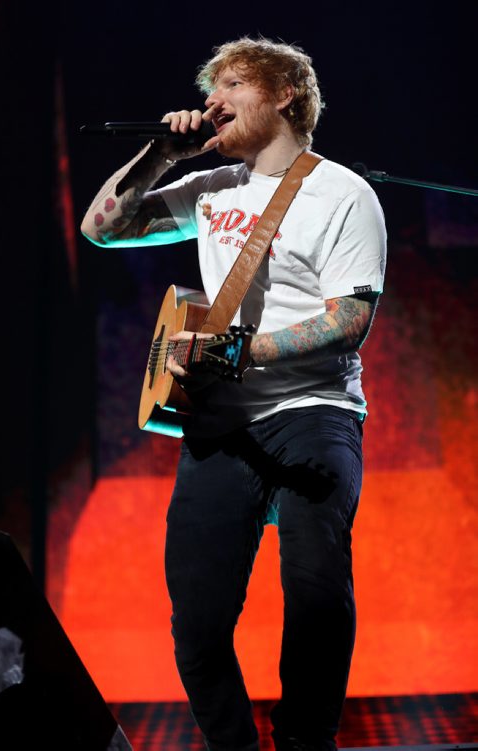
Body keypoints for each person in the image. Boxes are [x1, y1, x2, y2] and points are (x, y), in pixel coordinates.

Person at [81, 37, 387, 751]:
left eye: (234, 84)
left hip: (315, 412)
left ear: (286, 94)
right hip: (222, 425)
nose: (212, 101)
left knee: (314, 590)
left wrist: (234, 352)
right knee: (196, 615)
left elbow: (350, 322)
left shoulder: (343, 193)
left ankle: (307, 740)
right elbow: (102, 229)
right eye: (209, 88)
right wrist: (162, 154)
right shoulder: (212, 190)